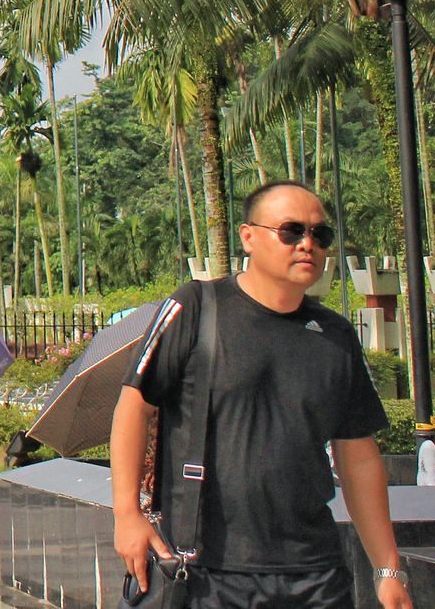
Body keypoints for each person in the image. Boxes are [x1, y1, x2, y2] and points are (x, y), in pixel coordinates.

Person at [112, 181, 411, 609]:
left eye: (320, 234)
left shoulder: (335, 336)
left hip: (315, 576)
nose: (307, 244)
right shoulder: (197, 308)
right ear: (248, 237)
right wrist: (127, 514)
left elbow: (358, 456)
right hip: (205, 571)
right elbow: (133, 406)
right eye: (291, 231)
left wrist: (387, 569)